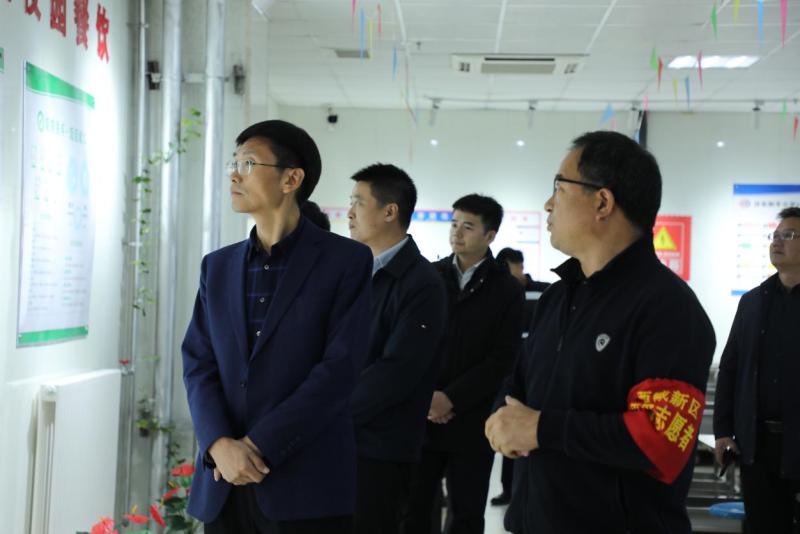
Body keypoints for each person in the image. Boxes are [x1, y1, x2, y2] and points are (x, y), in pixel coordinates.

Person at [485, 131, 716, 534]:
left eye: (559, 188)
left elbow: (660, 441)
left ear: (603, 202)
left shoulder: (668, 308)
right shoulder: (557, 298)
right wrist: (500, 419)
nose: (548, 204)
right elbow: (518, 383)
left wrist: (541, 429)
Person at [181, 119, 373, 533]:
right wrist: (219, 444)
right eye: (234, 163)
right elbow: (198, 361)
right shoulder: (217, 267)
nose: (235, 175)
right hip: (224, 483)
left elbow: (339, 369)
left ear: (291, 179)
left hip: (305, 484)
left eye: (248, 164)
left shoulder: (346, 262)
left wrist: (256, 445)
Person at [403, 194, 525, 534]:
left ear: (490, 235)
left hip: (472, 420)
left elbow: (502, 358)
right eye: (454, 223)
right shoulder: (429, 277)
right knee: (413, 510)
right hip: (423, 416)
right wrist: (429, 398)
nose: (457, 232)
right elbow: (411, 346)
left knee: (466, 514)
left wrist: (452, 398)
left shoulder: (506, 290)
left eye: (468, 227)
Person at [347, 163, 448, 534]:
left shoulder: (421, 283)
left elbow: (396, 372)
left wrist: (328, 413)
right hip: (342, 440)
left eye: (359, 202)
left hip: (380, 449)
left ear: (390, 211)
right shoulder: (356, 270)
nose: (350, 212)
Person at [714, 207, 800, 534]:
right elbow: (730, 369)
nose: (777, 242)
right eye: (775, 235)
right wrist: (723, 431)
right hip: (758, 446)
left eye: (788, 235)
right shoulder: (752, 303)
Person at [490, 247, 550, 507]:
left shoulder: (546, 292)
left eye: (509, 267)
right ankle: (508, 490)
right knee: (509, 429)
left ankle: (526, 492)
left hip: (536, 369)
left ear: (520, 266)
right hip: (509, 370)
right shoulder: (500, 295)